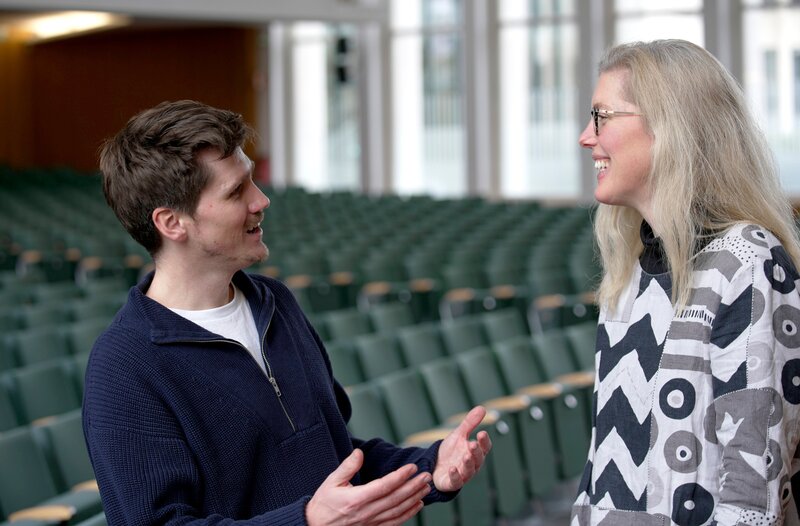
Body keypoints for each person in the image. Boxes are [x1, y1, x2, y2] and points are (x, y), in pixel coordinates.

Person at [82, 100, 492, 526]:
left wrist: (430, 468)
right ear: (172, 223)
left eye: (252, 181)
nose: (261, 200)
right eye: (236, 191)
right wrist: (307, 522)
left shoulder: (275, 303)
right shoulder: (125, 367)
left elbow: (337, 458)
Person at [572, 39, 800, 525]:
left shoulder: (745, 262)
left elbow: (750, 499)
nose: (584, 138)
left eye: (600, 117)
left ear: (667, 127)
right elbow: (603, 469)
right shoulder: (630, 270)